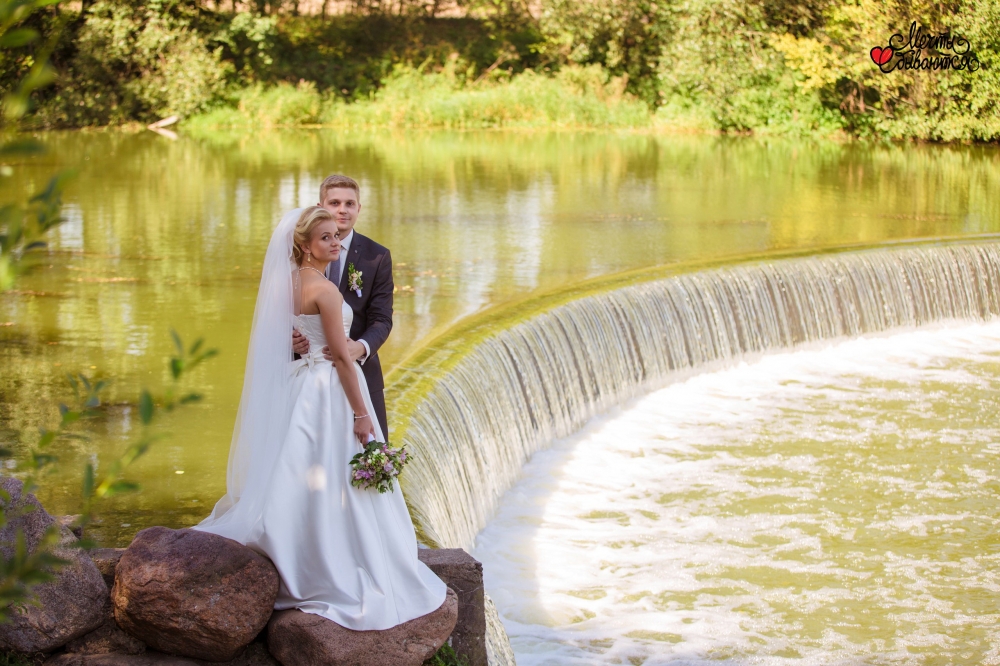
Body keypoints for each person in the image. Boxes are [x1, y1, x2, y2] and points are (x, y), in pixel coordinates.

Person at [194, 206, 446, 630]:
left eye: (336, 236)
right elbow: (344, 360)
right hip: (329, 389)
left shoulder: (287, 283)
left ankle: (297, 544)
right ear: (305, 245)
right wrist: (362, 414)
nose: (336, 243)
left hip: (300, 387)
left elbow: (280, 334)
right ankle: (337, 558)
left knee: (300, 471)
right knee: (338, 472)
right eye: (326, 237)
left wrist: (298, 341)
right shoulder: (326, 291)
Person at [293, 175, 394, 439]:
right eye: (335, 203)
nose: (342, 210)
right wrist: (288, 337)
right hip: (309, 380)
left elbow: (382, 318)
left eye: (349, 204)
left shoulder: (377, 256)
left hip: (362, 376)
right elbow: (277, 313)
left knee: (370, 457)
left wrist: (361, 347)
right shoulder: (294, 260)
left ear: (359, 208)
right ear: (320, 206)